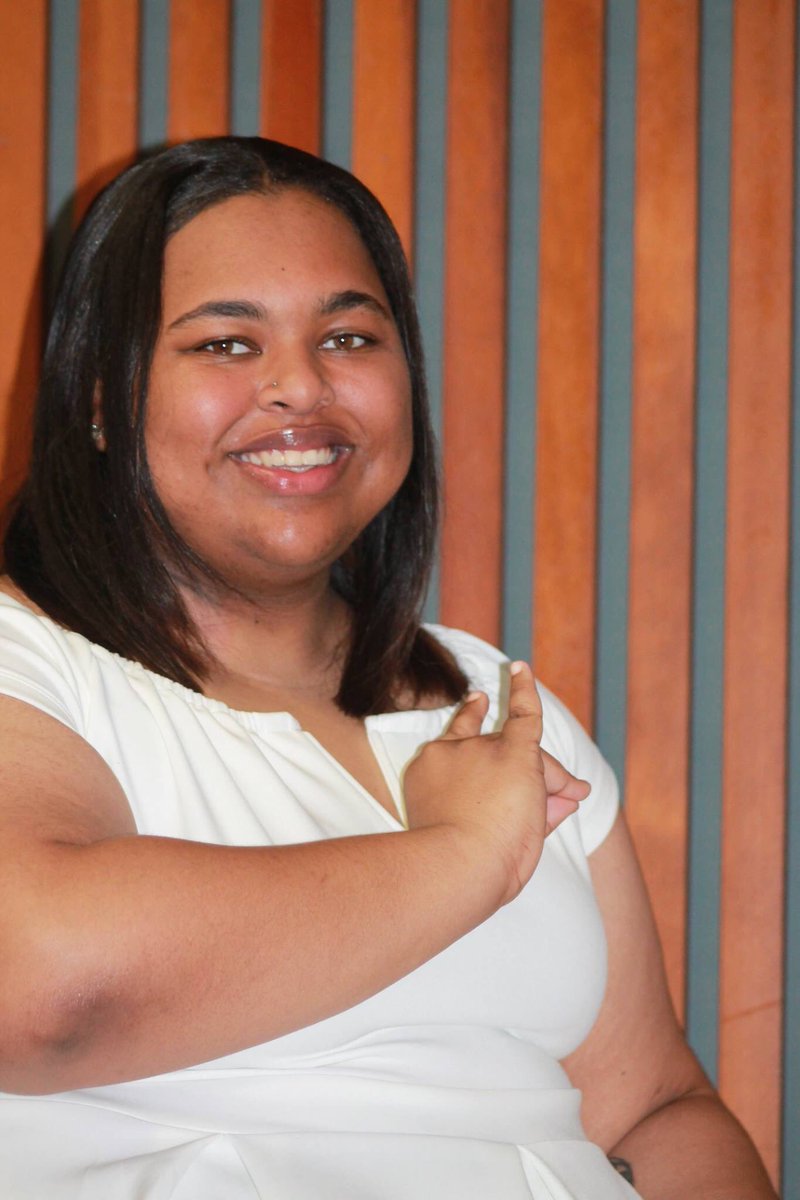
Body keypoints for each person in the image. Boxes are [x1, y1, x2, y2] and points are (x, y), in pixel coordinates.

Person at [0, 137, 776, 1199]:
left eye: (349, 336)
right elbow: (39, 991)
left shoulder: (492, 702)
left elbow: (649, 1104)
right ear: (96, 397)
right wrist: (463, 856)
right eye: (225, 345)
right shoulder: (30, 660)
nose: (299, 389)